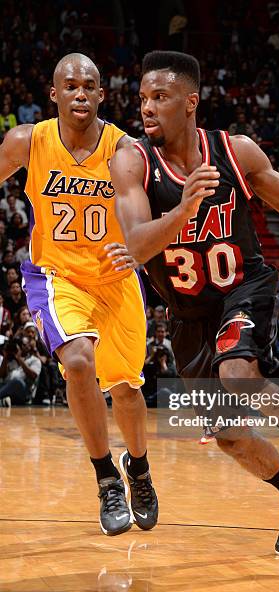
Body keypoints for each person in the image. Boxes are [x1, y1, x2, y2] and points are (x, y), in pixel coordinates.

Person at [108, 51, 279, 555]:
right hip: (187, 313)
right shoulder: (132, 160)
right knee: (231, 438)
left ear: (190, 102)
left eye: (159, 97)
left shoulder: (235, 152)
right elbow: (138, 245)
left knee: (239, 373)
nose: (146, 108)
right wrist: (184, 207)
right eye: (142, 98)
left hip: (242, 288)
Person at [0, 53, 158, 537]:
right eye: (70, 86)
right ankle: (107, 478)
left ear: (102, 95)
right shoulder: (27, 141)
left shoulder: (124, 150)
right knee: (79, 361)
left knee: (128, 392)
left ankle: (140, 470)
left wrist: (136, 244)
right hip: (57, 276)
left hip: (115, 280)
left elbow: (142, 221)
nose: (80, 93)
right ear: (54, 94)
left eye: (90, 86)